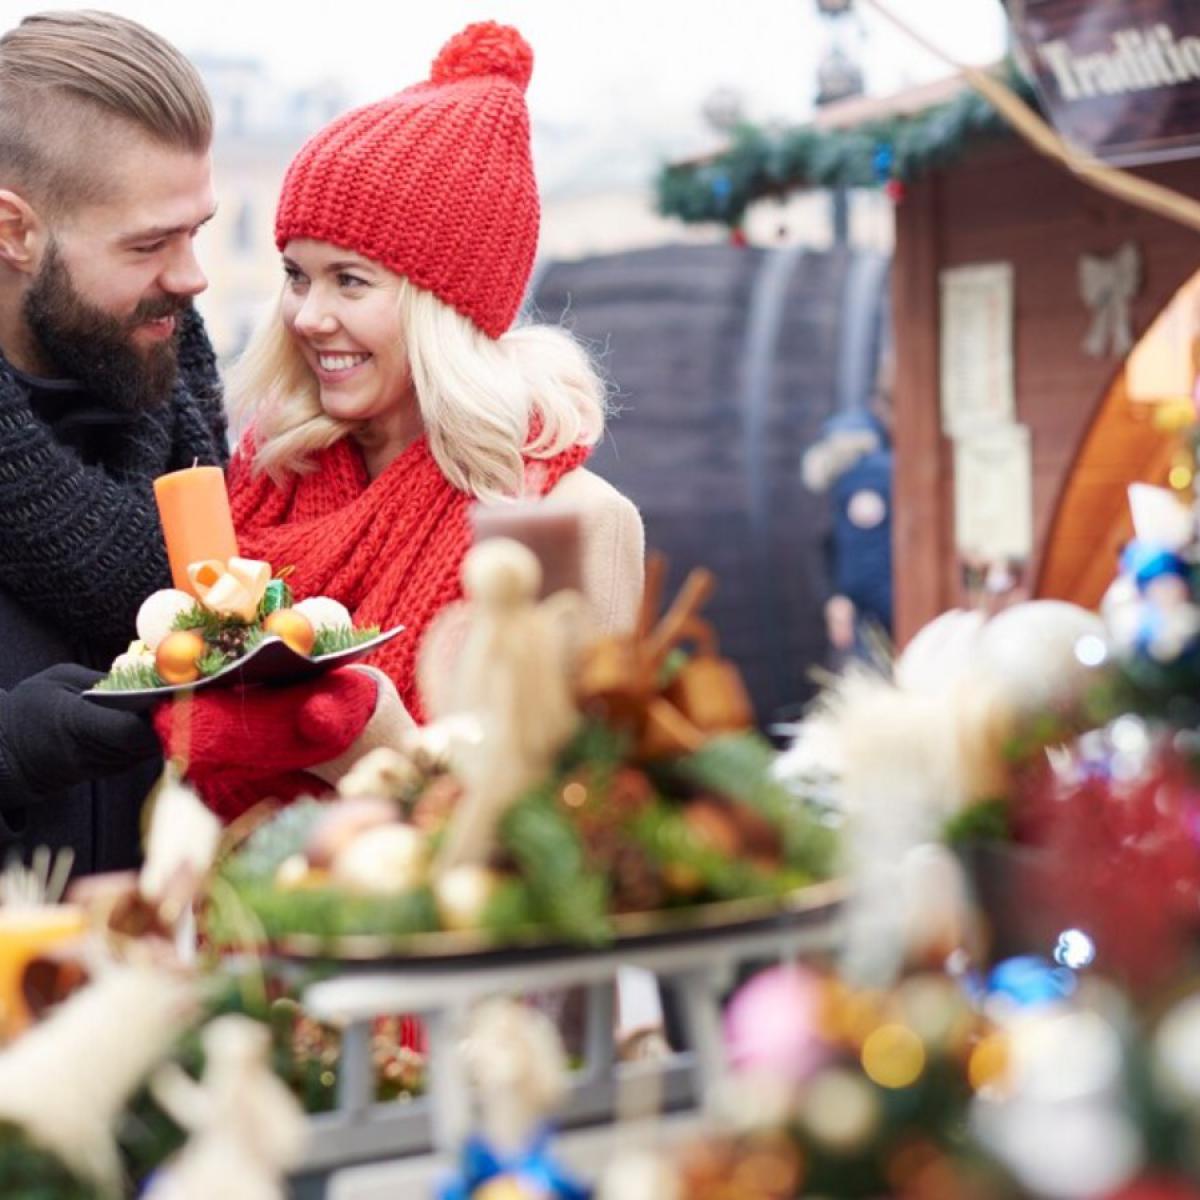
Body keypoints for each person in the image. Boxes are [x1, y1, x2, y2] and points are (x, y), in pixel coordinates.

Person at [157, 21, 645, 819]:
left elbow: (569, 825)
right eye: (296, 275)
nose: (307, 317)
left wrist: (371, 738)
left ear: (445, 308)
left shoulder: (573, 523)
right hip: (236, 933)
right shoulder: (265, 486)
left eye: (350, 282)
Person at [0, 11, 227, 871]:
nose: (193, 276)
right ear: (14, 231)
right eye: (149, 244)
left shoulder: (194, 418)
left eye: (197, 230)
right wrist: (13, 747)